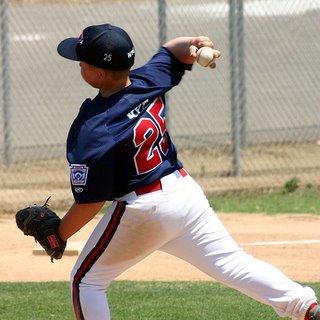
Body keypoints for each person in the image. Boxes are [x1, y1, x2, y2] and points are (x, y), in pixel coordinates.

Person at [56, 23, 319, 320]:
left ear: (100, 73)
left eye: (83, 63)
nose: (79, 66)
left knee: (86, 281)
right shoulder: (147, 79)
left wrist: (58, 235)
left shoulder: (94, 125)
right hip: (184, 195)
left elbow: (92, 199)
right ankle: (304, 306)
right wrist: (193, 44)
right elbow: (173, 51)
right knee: (231, 263)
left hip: (144, 209)